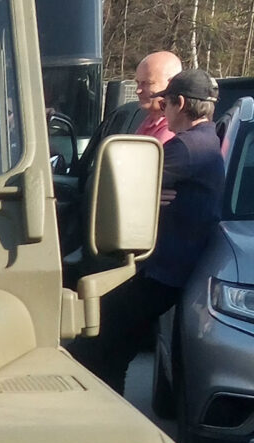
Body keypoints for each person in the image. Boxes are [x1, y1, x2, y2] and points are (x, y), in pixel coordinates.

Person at [76, 68, 223, 394]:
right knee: (113, 345)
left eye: (166, 102)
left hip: (161, 275)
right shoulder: (207, 141)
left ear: (180, 103)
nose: (162, 109)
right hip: (165, 272)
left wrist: (141, 194)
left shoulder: (185, 148)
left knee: (100, 340)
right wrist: (149, 194)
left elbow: (115, 185)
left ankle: (104, 418)